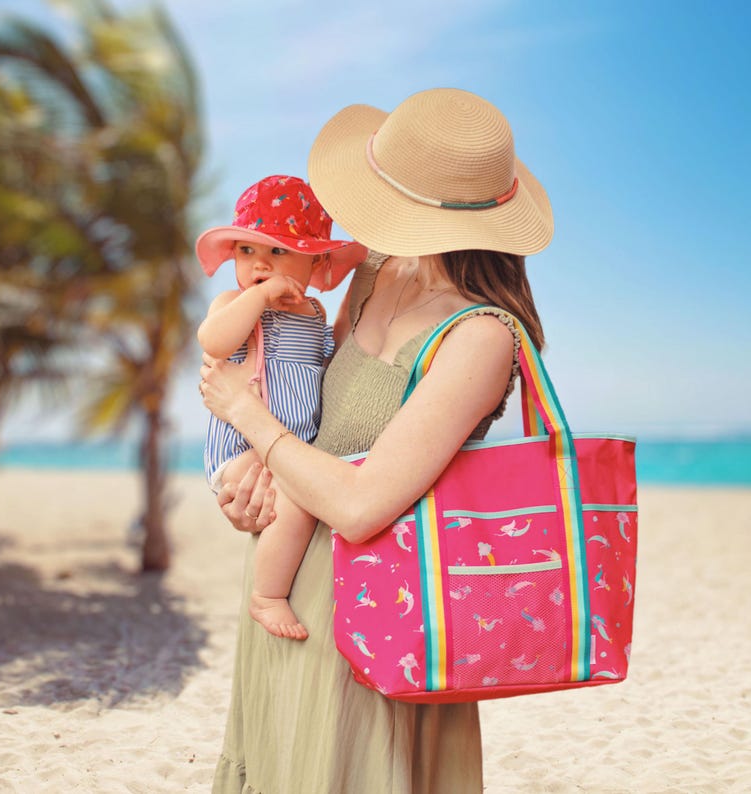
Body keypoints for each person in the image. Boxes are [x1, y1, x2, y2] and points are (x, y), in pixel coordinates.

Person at [200, 88, 554, 793]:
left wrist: (247, 419)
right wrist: (252, 475)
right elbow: (316, 424)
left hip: (378, 613)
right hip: (289, 583)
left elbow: (362, 505)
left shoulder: (479, 337)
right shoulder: (372, 277)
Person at [196, 174, 366, 638]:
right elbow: (212, 340)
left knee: (303, 491)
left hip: (290, 441)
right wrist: (258, 297)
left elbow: (327, 367)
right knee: (295, 497)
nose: (261, 265)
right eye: (247, 251)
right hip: (240, 447)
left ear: (314, 262)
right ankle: (267, 595)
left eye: (278, 252)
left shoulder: (314, 315)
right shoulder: (236, 303)